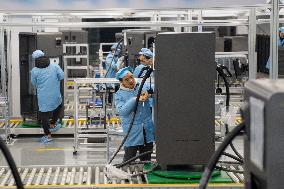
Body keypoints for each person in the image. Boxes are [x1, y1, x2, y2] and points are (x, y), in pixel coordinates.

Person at [115, 67, 155, 162]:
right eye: (126, 79)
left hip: (147, 130)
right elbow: (122, 112)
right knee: (129, 159)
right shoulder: (119, 95)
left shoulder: (142, 86)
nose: (131, 81)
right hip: (132, 132)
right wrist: (135, 99)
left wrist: (150, 94)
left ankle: (144, 176)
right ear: (122, 82)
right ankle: (126, 176)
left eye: (131, 77)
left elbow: (156, 90)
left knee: (146, 160)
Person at [31, 50, 64, 144]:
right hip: (55, 93)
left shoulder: (34, 71)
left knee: (44, 115)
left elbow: (34, 83)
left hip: (43, 96)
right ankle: (53, 123)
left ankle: (48, 135)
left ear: (35, 60)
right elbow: (61, 76)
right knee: (59, 106)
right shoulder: (55, 66)